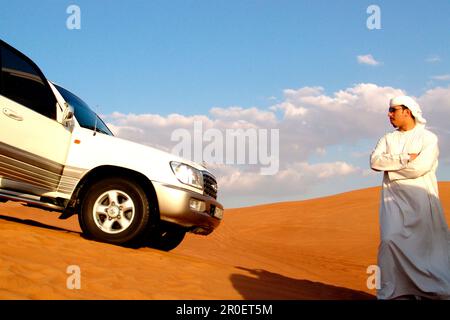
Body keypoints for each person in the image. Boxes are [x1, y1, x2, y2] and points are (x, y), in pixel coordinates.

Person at [370, 95, 450, 300]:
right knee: (388, 241)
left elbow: (419, 168)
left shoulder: (428, 138)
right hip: (393, 201)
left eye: (393, 110)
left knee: (427, 248)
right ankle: (391, 293)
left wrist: (392, 170)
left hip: (422, 202)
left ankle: (433, 292)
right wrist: (404, 159)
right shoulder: (387, 139)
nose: (389, 115)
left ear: (407, 111)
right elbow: (375, 161)